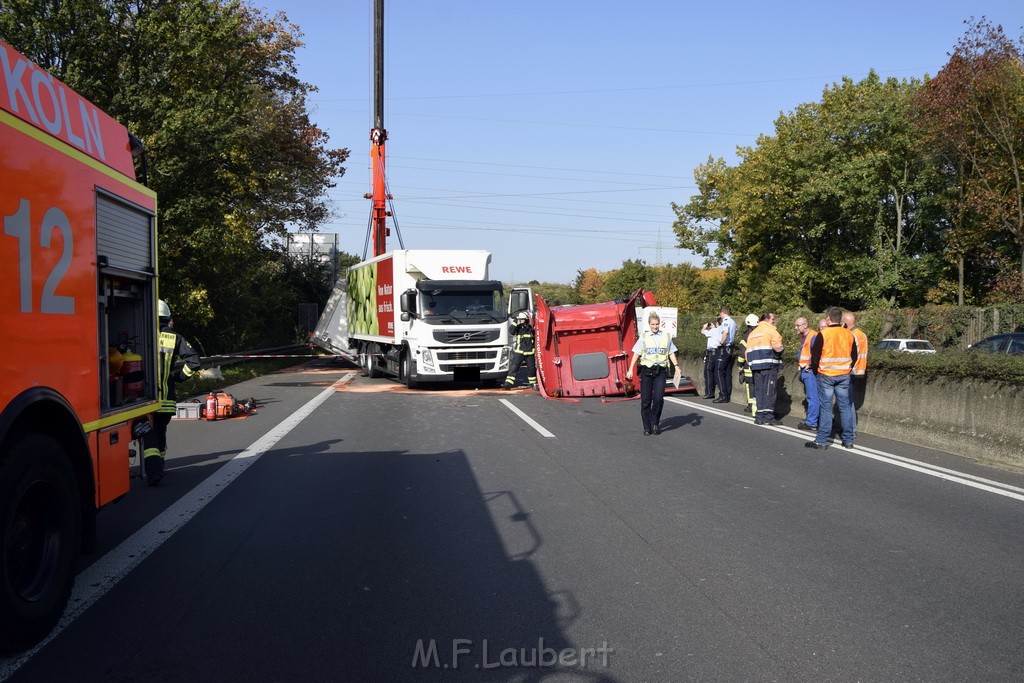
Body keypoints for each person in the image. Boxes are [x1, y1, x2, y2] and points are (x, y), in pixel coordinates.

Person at [143, 299, 201, 485]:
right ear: (168, 318)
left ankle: (153, 471)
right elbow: (195, 362)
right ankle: (159, 467)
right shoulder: (174, 337)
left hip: (140, 399)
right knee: (160, 432)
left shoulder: (140, 332)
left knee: (147, 433)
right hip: (166, 399)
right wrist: (177, 378)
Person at [805, 306, 858, 450]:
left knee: (826, 408)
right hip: (844, 375)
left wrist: (817, 371)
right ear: (840, 319)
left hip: (826, 375)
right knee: (845, 407)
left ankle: (821, 441)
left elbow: (815, 356)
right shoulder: (849, 334)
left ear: (828, 318)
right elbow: (854, 355)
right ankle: (848, 440)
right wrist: (847, 368)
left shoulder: (824, 334)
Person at [626, 310, 679, 435]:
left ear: (659, 324)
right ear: (649, 325)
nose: (655, 327)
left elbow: (671, 352)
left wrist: (676, 366)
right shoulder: (644, 337)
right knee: (646, 400)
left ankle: (655, 422)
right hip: (646, 372)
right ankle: (647, 426)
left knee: (659, 398)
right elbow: (636, 354)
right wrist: (630, 369)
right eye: (652, 324)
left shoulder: (666, 336)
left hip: (660, 372)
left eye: (656, 324)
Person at [745, 312, 784, 426]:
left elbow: (747, 353)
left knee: (759, 391)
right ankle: (768, 417)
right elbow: (778, 348)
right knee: (769, 391)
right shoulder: (770, 330)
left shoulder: (753, 333)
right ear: (767, 319)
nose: (774, 321)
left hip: (755, 367)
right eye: (773, 319)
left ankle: (760, 417)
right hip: (769, 366)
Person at [842, 312, 868, 437]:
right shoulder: (862, 334)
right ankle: (849, 428)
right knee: (849, 401)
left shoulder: (851, 335)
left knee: (847, 402)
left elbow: (849, 354)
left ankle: (850, 430)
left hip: (851, 371)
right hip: (859, 371)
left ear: (845, 323)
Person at [794, 317, 820, 432]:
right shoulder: (805, 337)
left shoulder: (813, 336)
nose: (796, 328)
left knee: (812, 397)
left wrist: (809, 364)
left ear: (805, 325)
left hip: (810, 372)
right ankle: (812, 419)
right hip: (806, 371)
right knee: (811, 397)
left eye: (798, 325)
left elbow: (817, 353)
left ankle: (812, 422)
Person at [503, 311, 537, 390]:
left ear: (526, 319)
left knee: (531, 369)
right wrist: (515, 322)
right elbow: (511, 331)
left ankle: (533, 384)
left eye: (522, 319)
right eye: (520, 319)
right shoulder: (517, 328)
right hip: (519, 352)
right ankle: (508, 384)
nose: (521, 320)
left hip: (530, 352)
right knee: (514, 368)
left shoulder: (531, 328)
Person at [735, 313, 759, 417]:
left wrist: (739, 364)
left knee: (750, 386)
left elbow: (742, 354)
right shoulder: (760, 334)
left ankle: (751, 406)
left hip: (748, 366)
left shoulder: (745, 337)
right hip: (759, 365)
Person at [713, 307, 738, 403]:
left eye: (720, 313)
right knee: (727, 372)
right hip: (730, 348)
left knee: (719, 371)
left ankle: (723, 395)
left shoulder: (726, 321)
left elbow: (725, 332)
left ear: (723, 312)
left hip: (725, 348)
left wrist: (721, 342)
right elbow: (735, 331)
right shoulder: (733, 322)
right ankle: (727, 394)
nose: (720, 314)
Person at [700, 319, 721, 399]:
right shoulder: (720, 331)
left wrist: (704, 327)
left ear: (716, 324)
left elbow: (702, 332)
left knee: (708, 372)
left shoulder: (714, 331)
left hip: (711, 353)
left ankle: (709, 392)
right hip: (717, 352)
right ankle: (716, 392)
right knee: (715, 373)